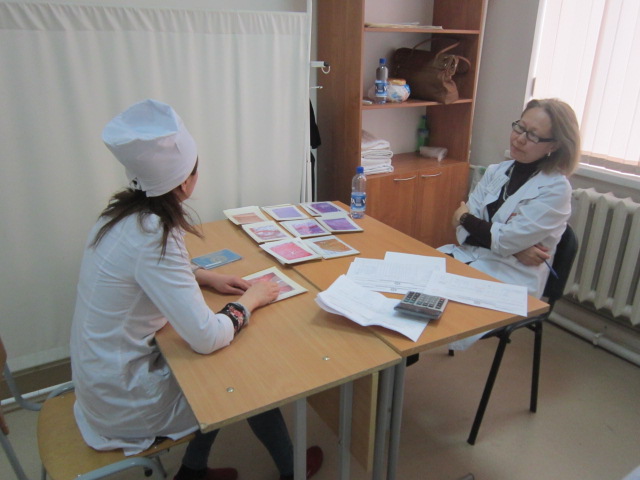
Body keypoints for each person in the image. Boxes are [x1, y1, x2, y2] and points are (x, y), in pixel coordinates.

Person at [70, 99, 323, 480]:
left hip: (101, 381)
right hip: (125, 401)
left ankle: (193, 471)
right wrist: (251, 300)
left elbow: (144, 271)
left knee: (221, 363)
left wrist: (205, 276)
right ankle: (292, 471)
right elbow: (207, 337)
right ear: (185, 181)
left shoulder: (122, 216)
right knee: (244, 378)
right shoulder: (154, 235)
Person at [438, 98, 581, 350]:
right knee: (405, 287)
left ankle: (395, 367)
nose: (519, 139)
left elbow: (475, 226)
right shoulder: (497, 171)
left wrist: (465, 217)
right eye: (520, 127)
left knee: (432, 314)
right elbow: (462, 232)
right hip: (470, 258)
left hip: (510, 279)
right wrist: (515, 247)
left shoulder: (556, 189)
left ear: (554, 145)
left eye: (533, 135)